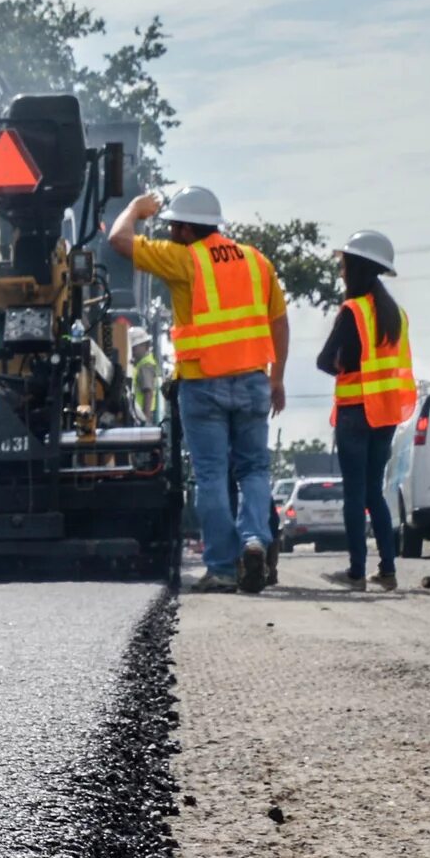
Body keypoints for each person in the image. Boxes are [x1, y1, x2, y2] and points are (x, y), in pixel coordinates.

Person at [109, 184, 288, 593]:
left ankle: (223, 568)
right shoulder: (257, 262)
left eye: (173, 226)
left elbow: (118, 240)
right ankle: (255, 540)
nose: (170, 232)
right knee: (255, 470)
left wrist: (137, 207)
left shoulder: (185, 260)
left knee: (210, 475)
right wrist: (276, 377)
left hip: (202, 383)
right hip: (253, 381)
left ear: (188, 230)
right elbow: (279, 320)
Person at [317, 229, 412, 592]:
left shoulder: (353, 311)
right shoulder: (397, 315)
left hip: (356, 413)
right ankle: (387, 570)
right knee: (374, 491)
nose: (341, 271)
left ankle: (356, 572)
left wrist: (342, 364)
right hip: (385, 415)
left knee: (355, 494)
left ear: (356, 267)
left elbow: (325, 360)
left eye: (343, 265)